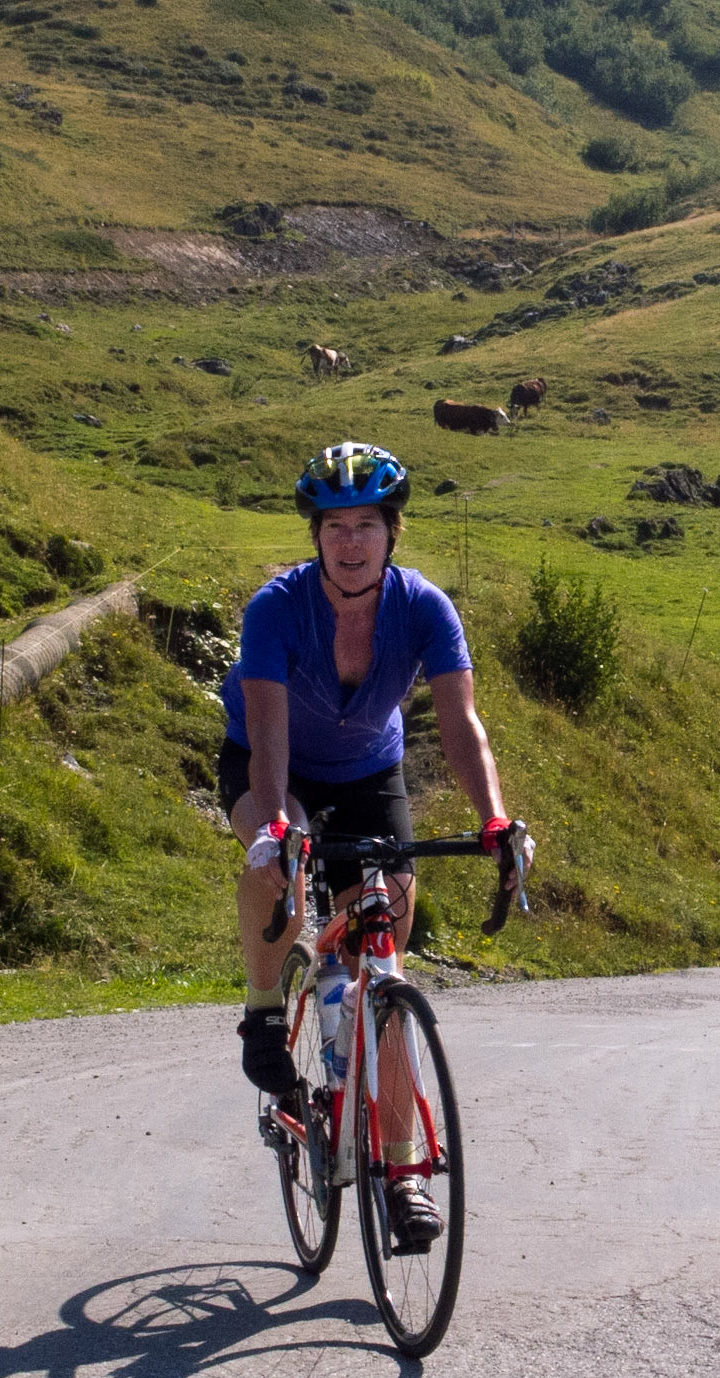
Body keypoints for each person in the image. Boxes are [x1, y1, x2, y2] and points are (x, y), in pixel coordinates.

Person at [218, 440, 530, 1249]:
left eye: (366, 524)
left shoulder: (424, 607)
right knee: (271, 847)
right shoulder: (275, 609)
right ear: (315, 536)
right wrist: (283, 829)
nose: (350, 541)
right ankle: (260, 1013)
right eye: (334, 526)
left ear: (392, 533)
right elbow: (268, 728)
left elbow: (460, 724)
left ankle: (403, 1176)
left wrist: (494, 818)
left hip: (368, 771)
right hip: (273, 757)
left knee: (382, 964)